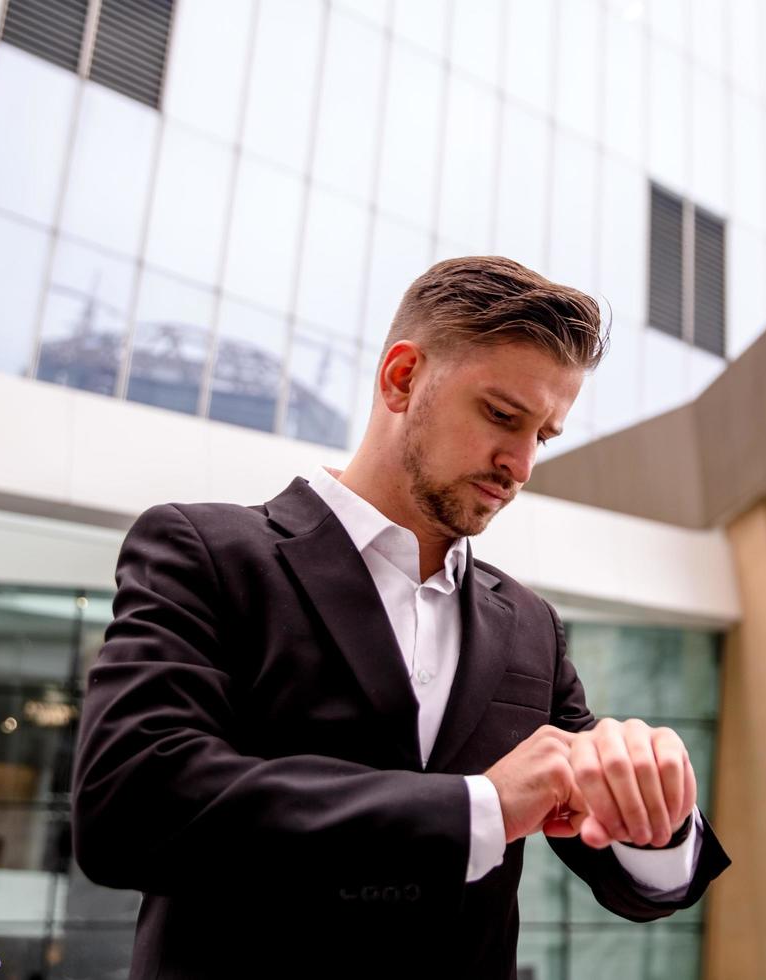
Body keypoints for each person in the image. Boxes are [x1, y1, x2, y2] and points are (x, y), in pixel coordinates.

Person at [71, 256, 730, 978]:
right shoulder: (206, 553)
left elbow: (637, 884)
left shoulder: (531, 626)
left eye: (542, 436)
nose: (520, 465)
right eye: (502, 416)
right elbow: (130, 805)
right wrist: (479, 809)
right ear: (402, 377)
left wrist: (654, 810)